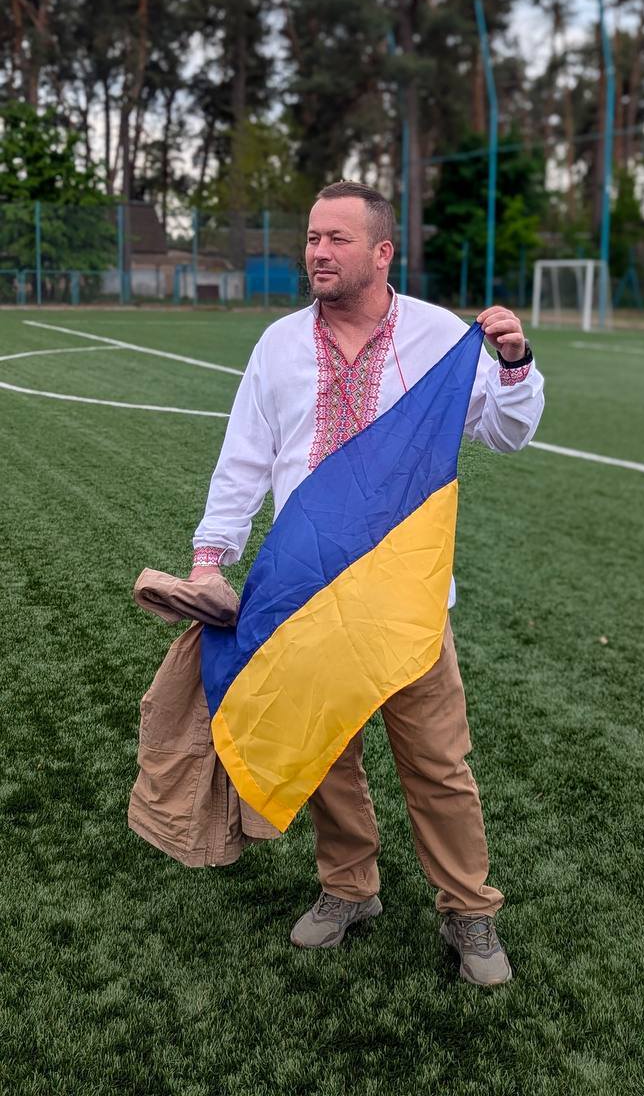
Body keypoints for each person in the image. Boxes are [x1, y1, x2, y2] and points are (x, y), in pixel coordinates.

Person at [190, 181, 544, 987]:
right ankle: (350, 889)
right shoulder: (279, 344)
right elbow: (244, 459)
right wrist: (211, 557)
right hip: (308, 597)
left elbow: (506, 433)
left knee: (438, 764)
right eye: (312, 238)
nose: (317, 252)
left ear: (382, 252)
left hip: (406, 603)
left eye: (337, 239)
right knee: (327, 759)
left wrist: (515, 364)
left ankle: (469, 911)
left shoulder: (437, 336)